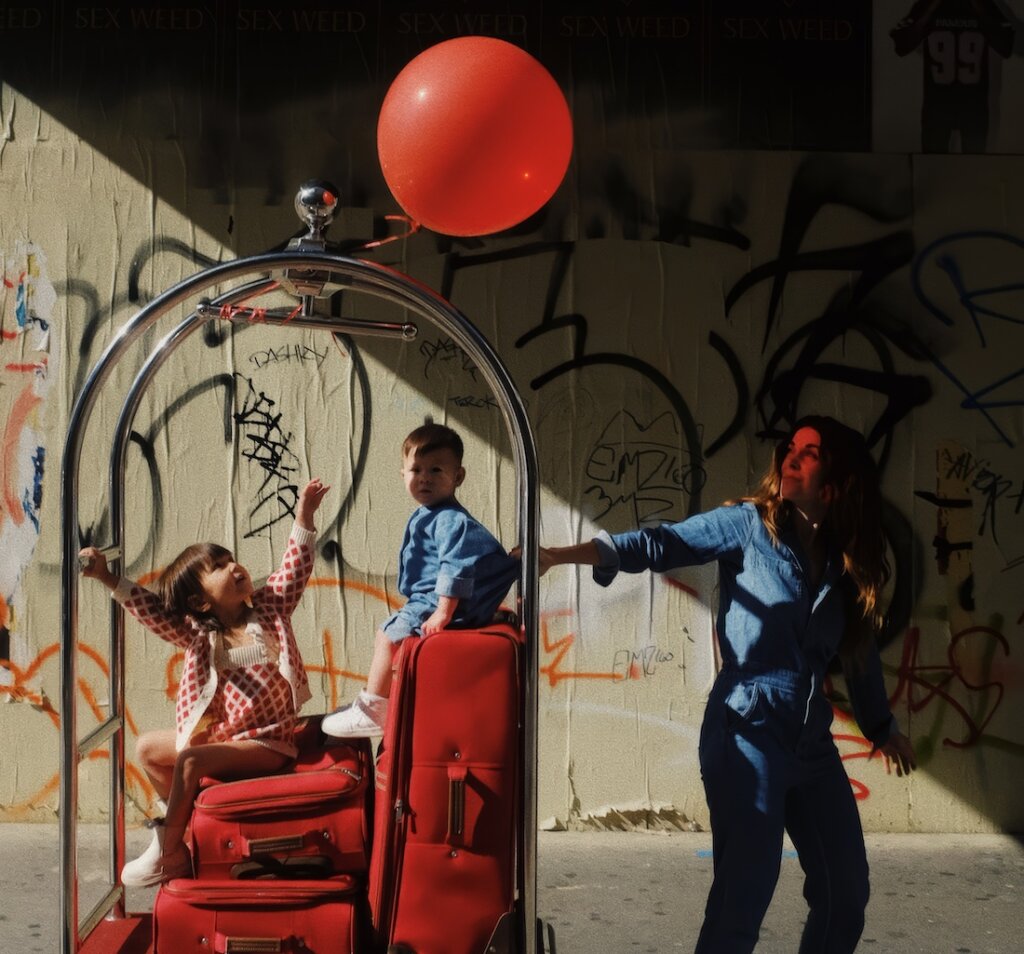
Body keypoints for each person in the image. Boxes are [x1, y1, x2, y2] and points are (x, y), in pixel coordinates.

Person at [538, 417, 916, 954]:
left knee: (845, 895)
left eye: (808, 452)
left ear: (839, 481)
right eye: (791, 447)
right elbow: (661, 543)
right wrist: (564, 554)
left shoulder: (845, 560)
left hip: (811, 744)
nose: (790, 455)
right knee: (743, 898)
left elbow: (858, 655)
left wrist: (880, 725)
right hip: (747, 733)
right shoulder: (747, 526)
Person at [78, 477, 329, 887]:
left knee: (191, 760)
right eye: (218, 567)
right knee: (148, 748)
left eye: (231, 559)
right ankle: (185, 831)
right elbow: (152, 610)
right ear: (200, 602)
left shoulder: (269, 609)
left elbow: (294, 567)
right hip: (230, 737)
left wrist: (304, 514)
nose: (234, 566)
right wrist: (108, 578)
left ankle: (168, 849)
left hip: (269, 743)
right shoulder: (198, 636)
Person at [322, 423, 518, 738]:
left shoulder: (450, 520)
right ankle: (379, 701)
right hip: (430, 599)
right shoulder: (431, 513)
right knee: (391, 638)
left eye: (436, 470)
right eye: (416, 469)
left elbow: (457, 565)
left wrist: (444, 611)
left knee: (388, 635)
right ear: (403, 475)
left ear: (458, 477)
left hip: (438, 602)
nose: (424, 477)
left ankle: (373, 710)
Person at [891, 0, 1014, 153]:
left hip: (973, 105)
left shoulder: (984, 5)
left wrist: (980, 8)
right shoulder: (927, 4)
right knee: (933, 166)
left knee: (973, 167)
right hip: (938, 106)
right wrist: (930, 9)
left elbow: (1006, 46)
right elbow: (902, 46)